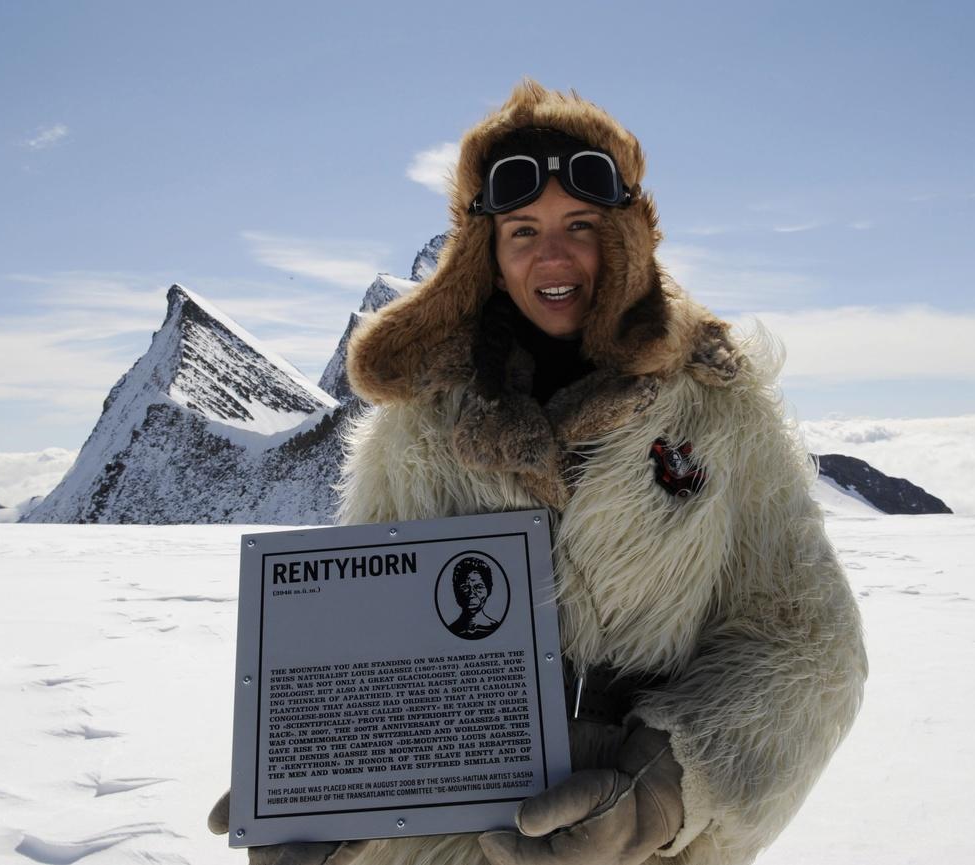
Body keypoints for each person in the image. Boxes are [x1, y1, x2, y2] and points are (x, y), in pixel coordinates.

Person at [210, 79, 866, 865]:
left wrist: (660, 790)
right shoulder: (419, 426)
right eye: (522, 230)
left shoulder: (720, 412)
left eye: (579, 226)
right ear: (484, 253)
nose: (551, 257)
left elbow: (813, 647)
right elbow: (372, 638)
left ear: (623, 237)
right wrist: (318, 774)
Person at [446, 556, 502, 639]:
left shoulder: (497, 628)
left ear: (488, 590)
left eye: (478, 587)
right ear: (456, 591)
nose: (471, 594)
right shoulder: (450, 630)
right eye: (465, 588)